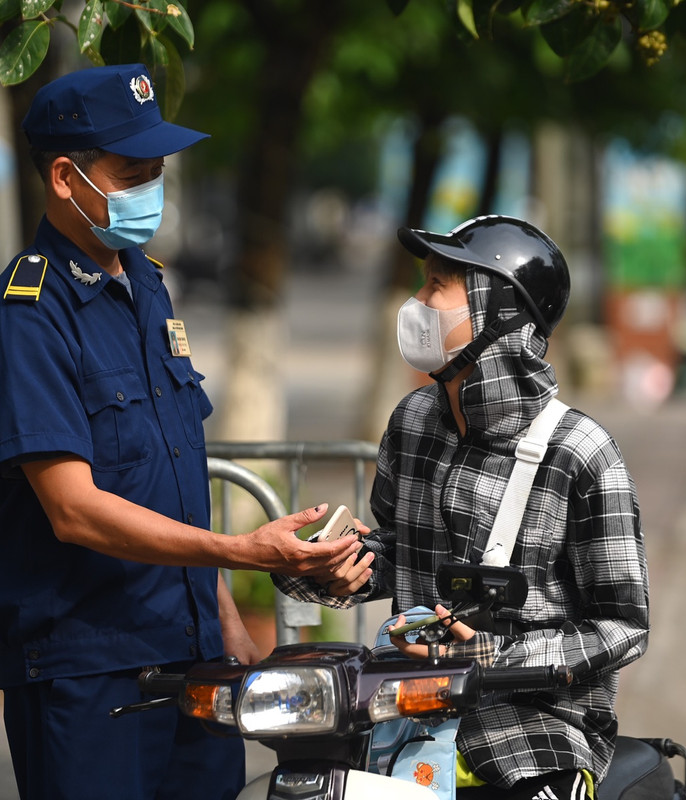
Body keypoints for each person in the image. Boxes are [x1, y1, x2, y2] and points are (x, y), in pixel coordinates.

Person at [0, 64, 362, 800]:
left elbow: (171, 474)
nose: (152, 186)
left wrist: (223, 617)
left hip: (192, 660)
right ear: (64, 177)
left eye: (159, 170)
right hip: (89, 671)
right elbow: (73, 509)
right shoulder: (26, 316)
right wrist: (239, 551)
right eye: (133, 172)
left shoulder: (145, 283)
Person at [274, 215, 650, 800]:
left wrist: (485, 654)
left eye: (437, 286)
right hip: (405, 720)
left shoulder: (581, 451)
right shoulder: (414, 421)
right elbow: (401, 552)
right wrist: (326, 567)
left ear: (500, 311)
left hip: (532, 736)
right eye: (422, 282)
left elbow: (623, 626)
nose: (416, 302)